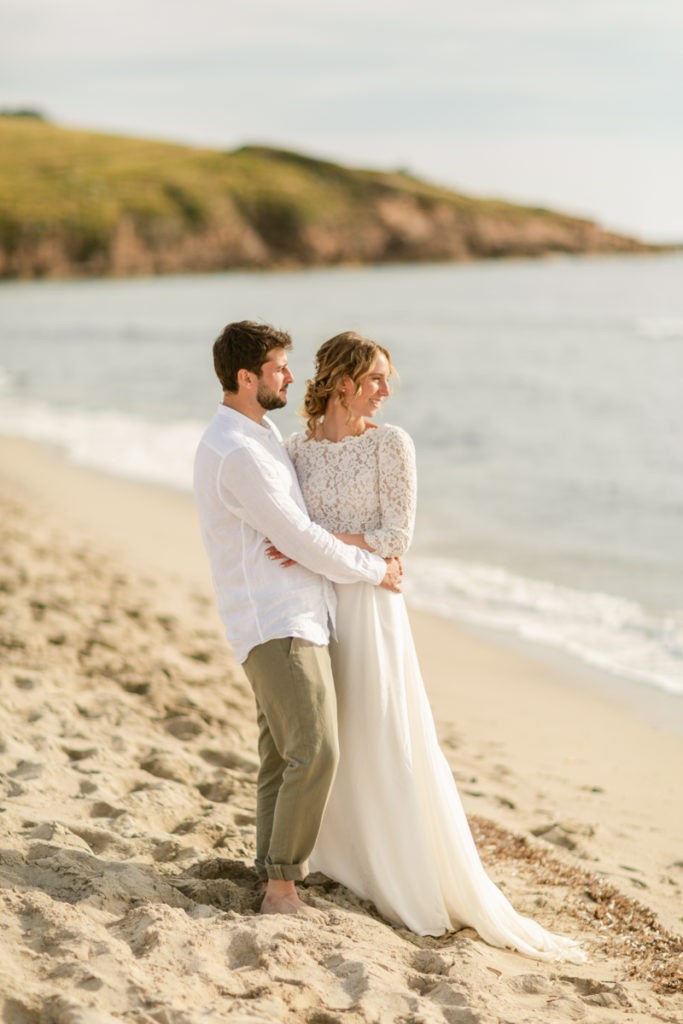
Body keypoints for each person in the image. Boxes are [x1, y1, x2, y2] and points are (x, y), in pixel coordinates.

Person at [281, 330, 586, 961]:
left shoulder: (392, 444)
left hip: (372, 608)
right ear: (342, 382)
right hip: (317, 605)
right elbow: (287, 531)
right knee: (327, 733)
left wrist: (317, 540)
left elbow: (396, 536)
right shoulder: (294, 451)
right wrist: (323, 545)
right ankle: (337, 856)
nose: (387, 391)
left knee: (384, 730)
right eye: (376, 380)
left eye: (389, 379)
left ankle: (397, 866)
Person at [193, 321, 403, 919]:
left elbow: (303, 534)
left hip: (289, 616)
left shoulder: (258, 437)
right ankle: (283, 890)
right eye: (279, 367)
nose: (290, 375)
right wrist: (373, 567)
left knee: (280, 756)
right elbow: (300, 539)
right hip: (277, 621)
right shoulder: (238, 453)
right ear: (246, 377)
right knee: (317, 749)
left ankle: (269, 870)